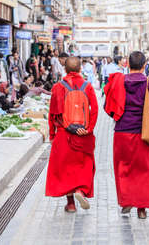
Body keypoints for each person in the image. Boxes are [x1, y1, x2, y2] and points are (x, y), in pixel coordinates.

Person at [104, 51, 149, 219]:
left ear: (127, 65)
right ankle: (142, 208)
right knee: (145, 171)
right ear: (144, 66)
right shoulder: (148, 83)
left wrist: (119, 117)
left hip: (122, 133)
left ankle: (127, 202)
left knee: (124, 169)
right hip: (144, 133)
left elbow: (108, 106)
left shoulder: (119, 82)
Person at [45, 57, 99, 213]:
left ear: (65, 70)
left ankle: (70, 204)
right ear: (80, 70)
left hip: (63, 133)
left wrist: (51, 134)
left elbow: (53, 114)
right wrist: (88, 129)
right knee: (84, 165)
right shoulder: (87, 86)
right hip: (82, 133)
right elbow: (94, 110)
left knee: (65, 169)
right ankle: (80, 191)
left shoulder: (57, 87)